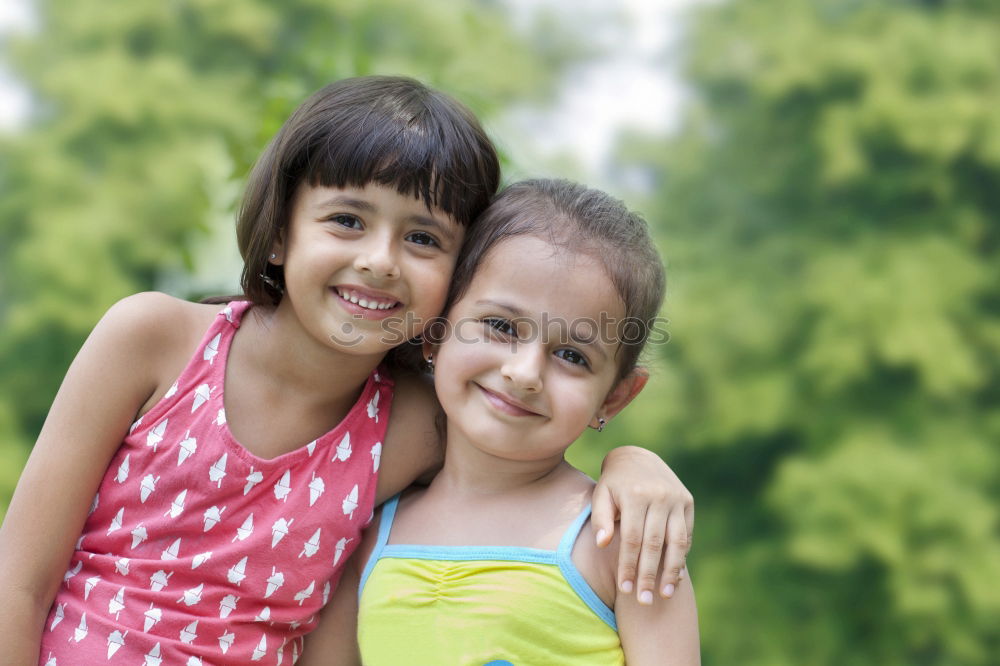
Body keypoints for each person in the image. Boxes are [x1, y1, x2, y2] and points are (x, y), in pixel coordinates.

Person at [0, 78, 693, 665]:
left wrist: (634, 465)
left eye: (423, 238)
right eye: (346, 220)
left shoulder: (416, 422)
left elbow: (533, 446)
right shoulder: (151, 338)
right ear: (280, 233)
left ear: (455, 286)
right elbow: (18, 580)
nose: (381, 261)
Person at [300, 179, 699, 666]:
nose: (524, 373)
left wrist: (634, 460)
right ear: (435, 333)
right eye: (501, 326)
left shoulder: (625, 542)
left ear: (614, 398)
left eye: (572, 355)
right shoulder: (364, 538)